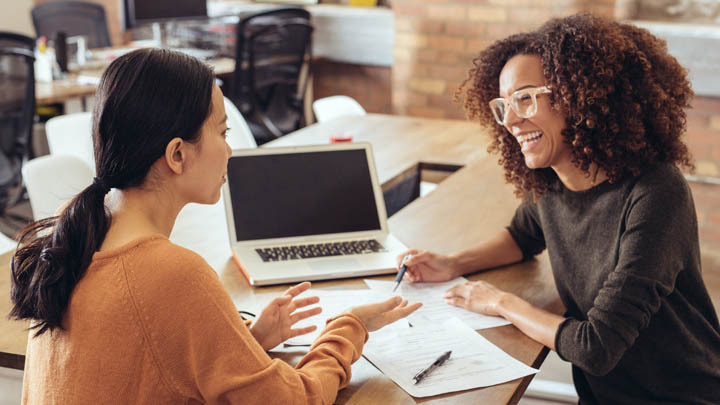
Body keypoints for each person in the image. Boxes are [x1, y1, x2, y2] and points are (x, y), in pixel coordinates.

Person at [10, 48, 421, 404]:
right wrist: (350, 328)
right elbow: (295, 399)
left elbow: (143, 362)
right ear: (176, 155)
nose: (230, 149)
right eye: (222, 132)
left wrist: (246, 340)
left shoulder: (76, 228)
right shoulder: (172, 273)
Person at [397, 13, 720, 404]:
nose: (512, 120)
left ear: (581, 97)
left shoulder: (656, 193)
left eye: (526, 98)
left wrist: (500, 302)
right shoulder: (553, 182)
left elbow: (596, 347)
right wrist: (453, 263)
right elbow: (521, 237)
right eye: (504, 104)